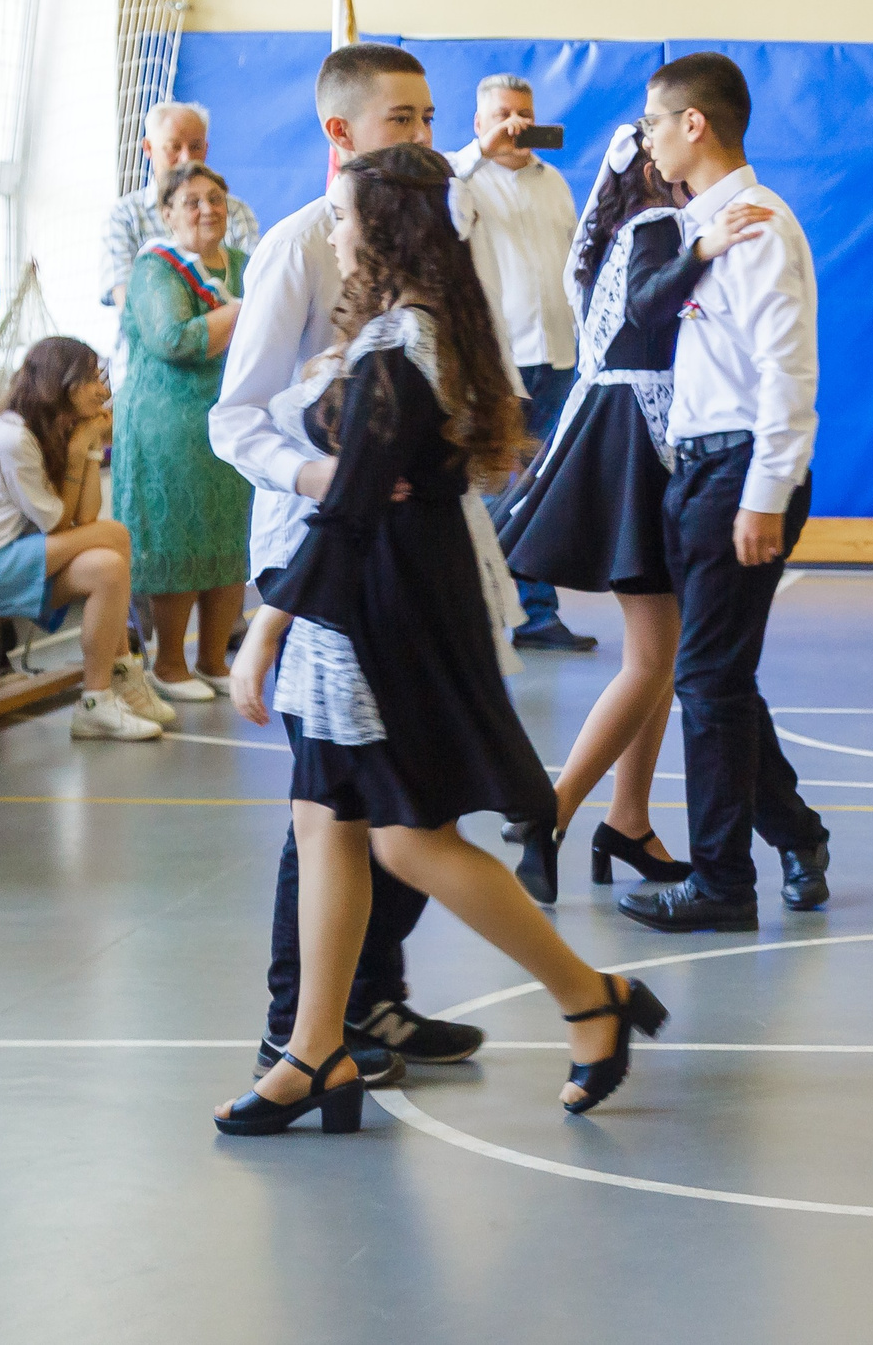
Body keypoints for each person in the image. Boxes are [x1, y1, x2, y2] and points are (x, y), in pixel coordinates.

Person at [215, 144, 668, 1135]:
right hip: (377, 603)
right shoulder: (411, 332)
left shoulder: (398, 350)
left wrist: (263, 629)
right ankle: (314, 1047)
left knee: (407, 838)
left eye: (343, 218)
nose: (333, 233)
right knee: (324, 822)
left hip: (374, 617)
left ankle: (591, 996)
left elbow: (349, 515)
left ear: (381, 228)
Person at [210, 42, 499, 1087]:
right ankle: (300, 1023)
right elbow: (234, 418)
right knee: (329, 806)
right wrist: (326, 473)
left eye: (429, 116)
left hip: (410, 553)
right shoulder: (299, 248)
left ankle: (374, 994)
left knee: (413, 798)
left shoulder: (440, 229)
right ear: (341, 135)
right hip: (318, 557)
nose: (424, 135)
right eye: (402, 120)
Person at [495, 125, 772, 903]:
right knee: (656, 659)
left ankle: (628, 820)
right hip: (637, 443)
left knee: (660, 653)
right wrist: (709, 247)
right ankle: (545, 814)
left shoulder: (614, 232)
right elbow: (652, 312)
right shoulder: (659, 228)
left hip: (620, 434)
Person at [613, 52, 833, 934]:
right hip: (700, 467)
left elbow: (787, 371)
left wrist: (765, 492)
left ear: (693, 124)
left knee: (708, 676)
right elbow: (643, 313)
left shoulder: (759, 225)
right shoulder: (703, 225)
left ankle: (721, 884)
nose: (648, 138)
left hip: (740, 469)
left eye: (655, 123)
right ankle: (796, 832)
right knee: (718, 675)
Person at [0, 337, 159, 741]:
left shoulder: (42, 431)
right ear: (59, 384)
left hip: (2, 560)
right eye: (91, 378)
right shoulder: (11, 438)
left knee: (108, 567)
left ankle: (101, 698)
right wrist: (81, 449)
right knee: (114, 535)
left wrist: (90, 448)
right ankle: (121, 679)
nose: (103, 390)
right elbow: (61, 526)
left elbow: (82, 516)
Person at [459, 73, 597, 651]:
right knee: (494, 486)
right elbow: (434, 189)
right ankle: (477, 607)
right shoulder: (461, 182)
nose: (516, 125)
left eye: (524, 113)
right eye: (502, 115)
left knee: (544, 489)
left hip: (559, 356)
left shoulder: (555, 183)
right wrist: (480, 154)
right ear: (479, 123)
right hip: (498, 362)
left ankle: (537, 614)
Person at [114, 163, 251, 699]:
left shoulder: (243, 264)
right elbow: (176, 339)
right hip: (167, 426)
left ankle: (214, 660)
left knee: (229, 540)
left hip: (233, 422)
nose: (206, 209)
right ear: (166, 212)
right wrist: (242, 313)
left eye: (215, 197)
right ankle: (170, 666)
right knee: (180, 539)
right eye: (190, 201)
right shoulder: (157, 270)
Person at [101, 101, 261, 308]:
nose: (186, 158)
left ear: (206, 148)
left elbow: (259, 282)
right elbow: (128, 305)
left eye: (195, 147)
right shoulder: (124, 216)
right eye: (173, 147)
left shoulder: (234, 210)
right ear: (148, 148)